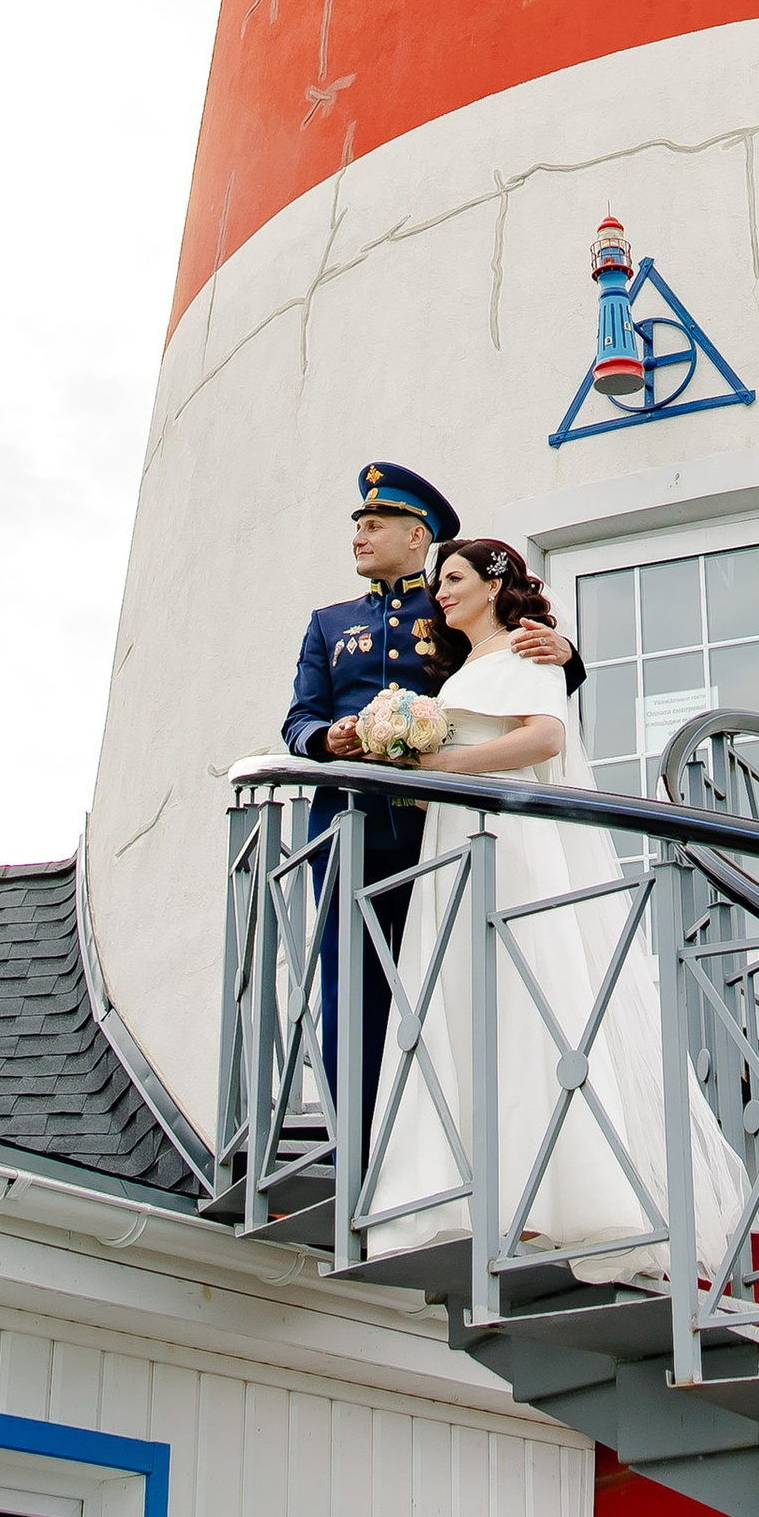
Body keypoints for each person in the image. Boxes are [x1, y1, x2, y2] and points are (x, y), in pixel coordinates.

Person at [367, 535, 744, 1286]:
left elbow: (543, 736)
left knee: (530, 1002)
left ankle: (561, 1194)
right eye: (437, 580)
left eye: (453, 578)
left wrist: (437, 765)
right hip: (457, 847)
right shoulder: (463, 668)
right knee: (468, 1006)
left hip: (509, 847)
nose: (439, 592)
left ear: (492, 582)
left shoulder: (526, 649)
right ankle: (473, 1191)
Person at [281, 466, 582, 1130]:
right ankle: (354, 1142)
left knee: (439, 979)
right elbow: (297, 719)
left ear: (416, 535)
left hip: (432, 827)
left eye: (373, 523)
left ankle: (433, 1139)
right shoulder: (328, 624)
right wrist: (326, 738)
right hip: (345, 828)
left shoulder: (451, 605)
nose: (358, 535)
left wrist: (567, 650)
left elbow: (511, 660)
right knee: (348, 986)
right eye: (358, 525)